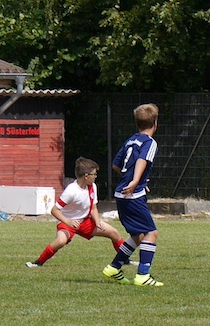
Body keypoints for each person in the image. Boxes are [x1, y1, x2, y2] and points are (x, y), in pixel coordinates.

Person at [102, 103, 163, 287]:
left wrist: (134, 179)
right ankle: (143, 275)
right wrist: (136, 181)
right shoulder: (149, 142)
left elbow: (116, 165)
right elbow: (142, 160)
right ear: (155, 123)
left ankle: (114, 268)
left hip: (121, 194)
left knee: (137, 235)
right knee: (151, 233)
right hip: (133, 195)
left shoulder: (130, 141)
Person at [26, 157, 125, 267]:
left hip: (85, 221)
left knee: (114, 233)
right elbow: (54, 210)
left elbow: (93, 208)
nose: (96, 177)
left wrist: (97, 221)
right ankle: (38, 263)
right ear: (86, 176)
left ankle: (124, 260)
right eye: (94, 174)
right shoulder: (71, 191)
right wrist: (68, 222)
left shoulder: (92, 186)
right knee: (61, 241)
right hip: (67, 221)